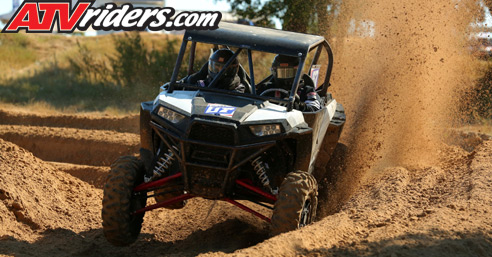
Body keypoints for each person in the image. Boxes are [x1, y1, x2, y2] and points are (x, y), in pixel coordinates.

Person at [257, 55, 322, 112]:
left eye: (288, 73)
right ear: (275, 72)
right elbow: (251, 103)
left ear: (297, 72)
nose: (285, 77)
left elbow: (315, 109)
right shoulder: (266, 89)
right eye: (282, 73)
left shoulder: (306, 91)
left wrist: (300, 106)